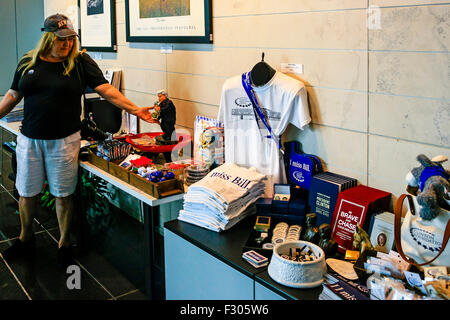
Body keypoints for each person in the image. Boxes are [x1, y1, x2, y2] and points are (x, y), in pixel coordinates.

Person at [0, 14, 153, 267]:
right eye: (62, 40)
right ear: (48, 37)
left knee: (63, 194)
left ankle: (64, 244)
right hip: (30, 139)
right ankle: (25, 238)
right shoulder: (28, 61)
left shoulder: (80, 62)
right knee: (27, 192)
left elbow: (106, 89)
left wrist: (135, 110)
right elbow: (13, 94)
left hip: (64, 140)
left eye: (71, 39)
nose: (67, 44)